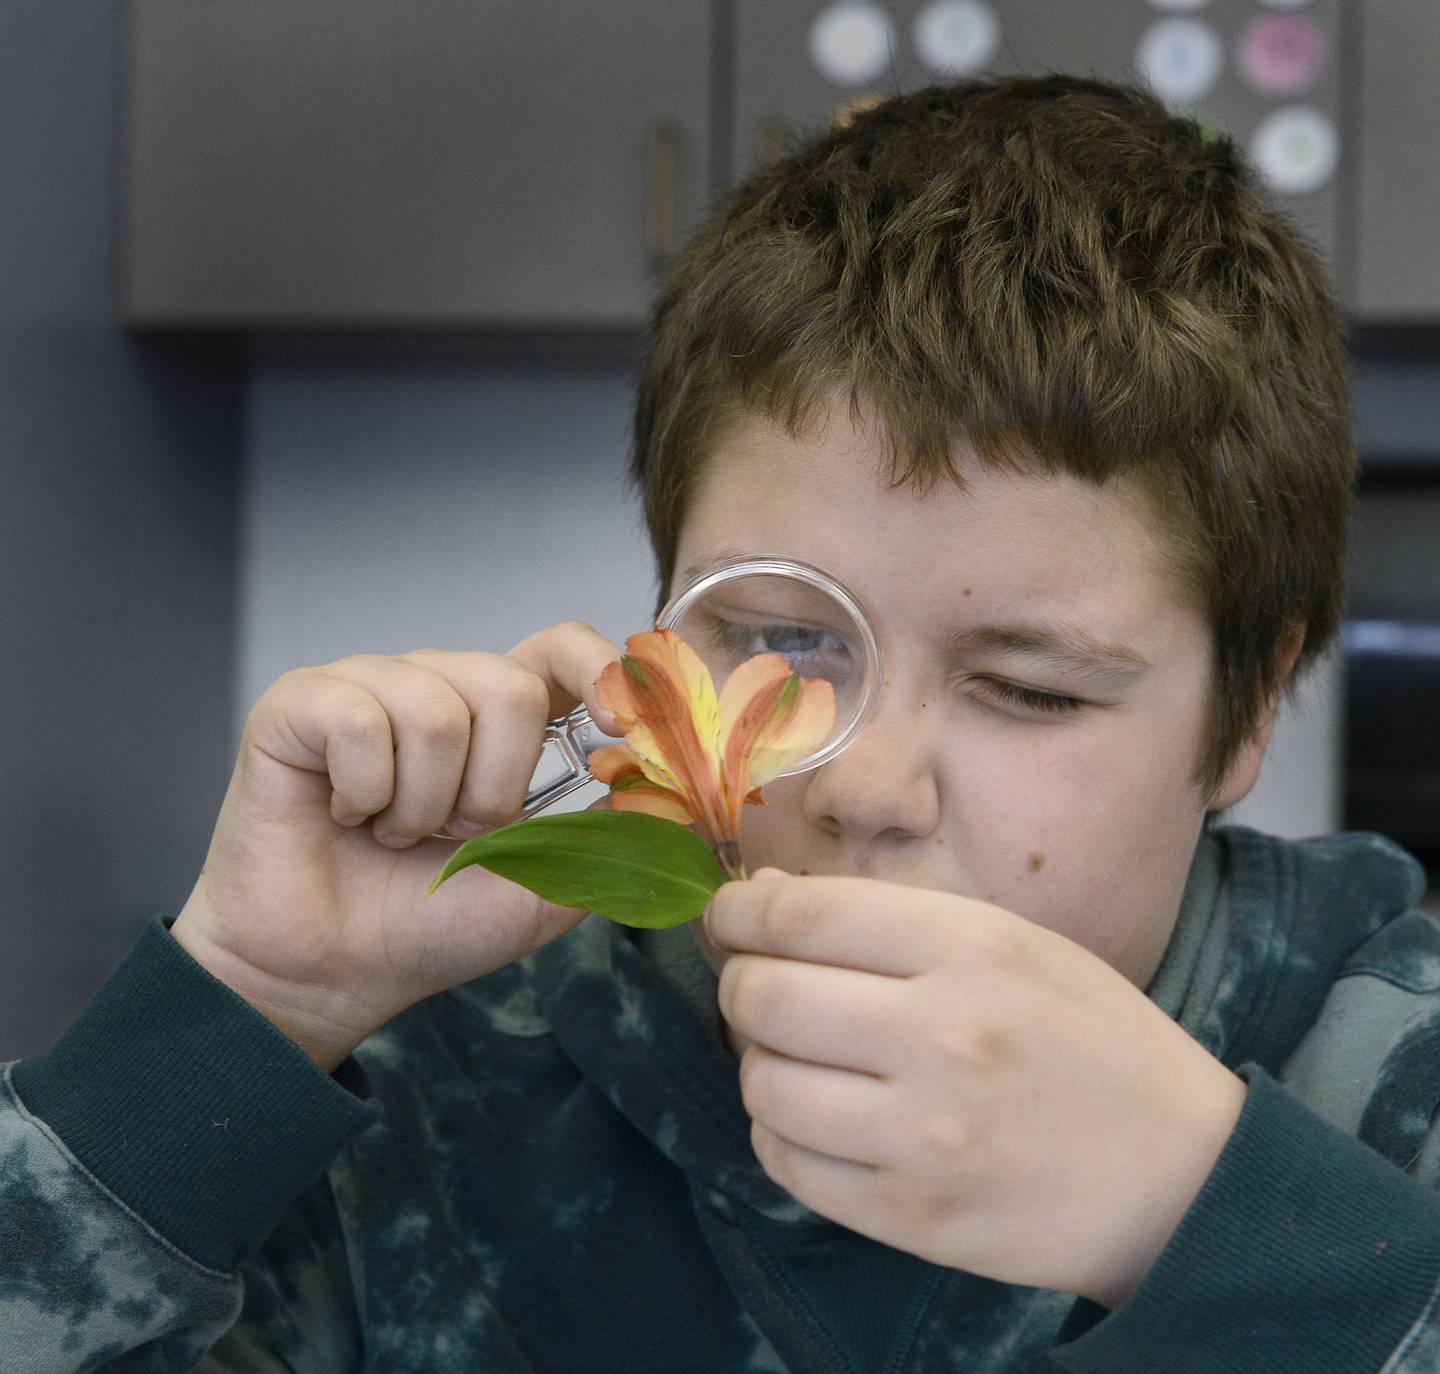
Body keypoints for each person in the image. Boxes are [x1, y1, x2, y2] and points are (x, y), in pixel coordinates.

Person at [5, 73, 1439, 1373]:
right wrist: (245, 1006)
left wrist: (1206, 1216)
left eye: (1032, 689)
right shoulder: (441, 1076)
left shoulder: (1385, 1055)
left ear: (1245, 713)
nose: (865, 784)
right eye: (777, 640)